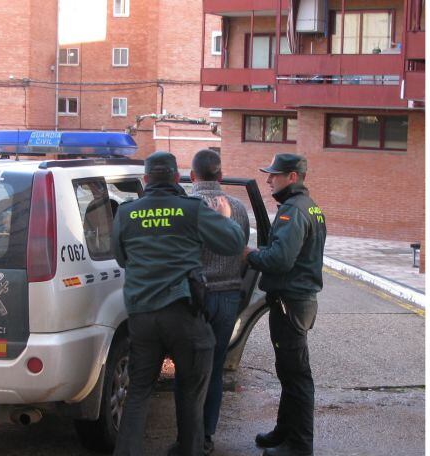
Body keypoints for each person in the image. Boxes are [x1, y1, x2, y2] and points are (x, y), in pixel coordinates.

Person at [112, 151, 246, 456]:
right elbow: (234, 243)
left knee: (138, 393)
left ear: (146, 180)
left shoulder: (126, 212)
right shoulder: (192, 209)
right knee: (189, 393)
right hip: (184, 314)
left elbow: (122, 258)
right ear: (177, 178)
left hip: (142, 316)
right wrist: (224, 219)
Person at [245, 153, 326, 456]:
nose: (269, 180)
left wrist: (249, 255)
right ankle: (284, 432)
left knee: (297, 377)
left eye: (274, 175)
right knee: (288, 373)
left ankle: (299, 446)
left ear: (292, 177)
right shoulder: (309, 207)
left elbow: (279, 259)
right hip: (295, 302)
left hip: (290, 304)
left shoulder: (294, 211)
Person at [187, 149, 250, 455]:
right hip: (227, 297)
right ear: (221, 177)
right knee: (213, 368)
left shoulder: (185, 207)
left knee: (188, 367)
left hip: (192, 297)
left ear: (192, 176)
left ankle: (187, 434)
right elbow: (242, 252)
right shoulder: (238, 208)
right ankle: (207, 435)